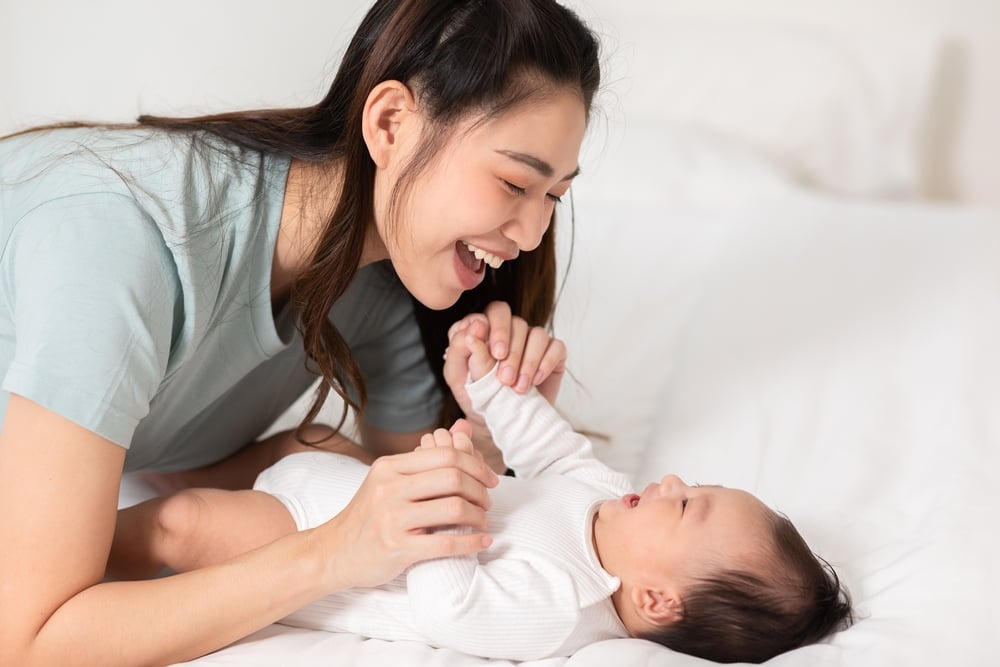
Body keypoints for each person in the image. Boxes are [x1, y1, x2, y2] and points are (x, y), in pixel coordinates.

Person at [0, 1, 601, 664]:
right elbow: (30, 638)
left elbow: (401, 503)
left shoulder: (388, 287)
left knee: (316, 450)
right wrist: (330, 553)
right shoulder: (118, 249)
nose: (532, 233)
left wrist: (492, 427)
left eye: (554, 196)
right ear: (391, 123)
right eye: (515, 182)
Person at [111, 322, 855, 663]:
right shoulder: (603, 496)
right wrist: (491, 384)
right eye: (691, 485)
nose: (669, 484)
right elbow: (548, 446)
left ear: (658, 601)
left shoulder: (557, 606)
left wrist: (452, 503)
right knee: (304, 441)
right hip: (343, 482)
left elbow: (449, 605)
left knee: (186, 524)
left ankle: (68, 558)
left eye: (686, 506)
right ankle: (182, 463)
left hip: (307, 539)